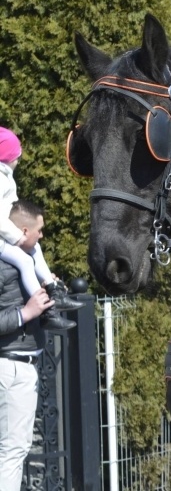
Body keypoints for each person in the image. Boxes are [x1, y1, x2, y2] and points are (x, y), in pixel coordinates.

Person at [0, 200, 56, 489]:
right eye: (40, 230)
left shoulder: (23, 266)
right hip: (12, 368)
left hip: (17, 366)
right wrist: (26, 313)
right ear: (24, 229)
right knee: (12, 452)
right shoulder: (5, 266)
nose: (42, 236)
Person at [0, 128, 79, 330]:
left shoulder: (6, 176)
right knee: (25, 261)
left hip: (6, 236)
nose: (18, 160)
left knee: (35, 249)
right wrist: (18, 237)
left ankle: (53, 290)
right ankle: (47, 312)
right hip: (3, 239)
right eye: (16, 156)